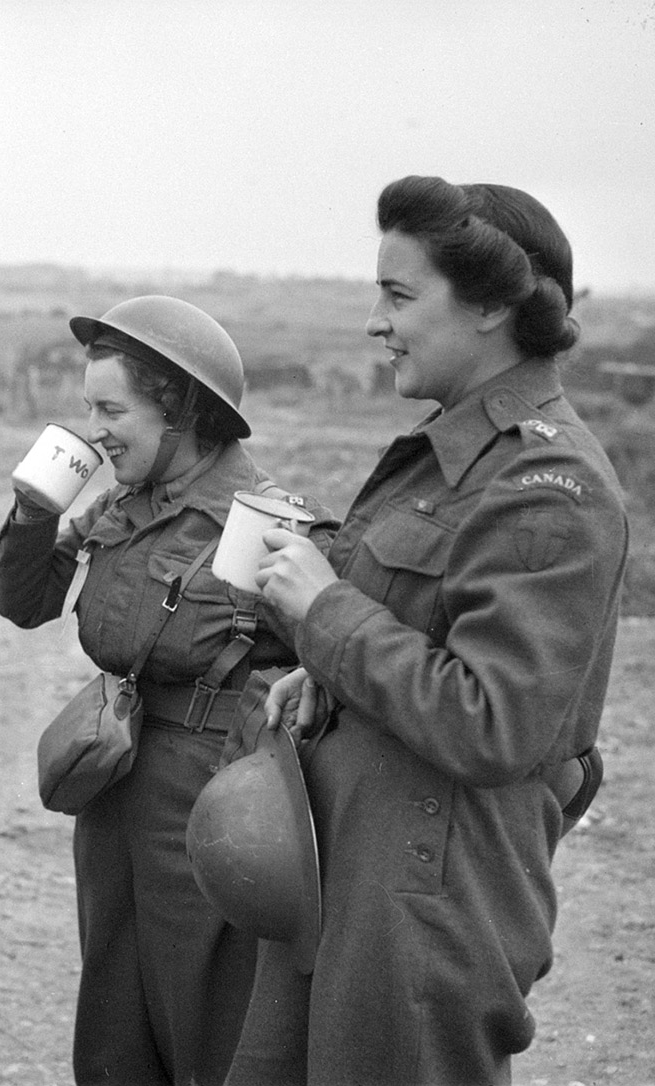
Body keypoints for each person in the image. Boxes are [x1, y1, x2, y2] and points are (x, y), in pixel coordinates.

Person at [224, 177, 630, 1086]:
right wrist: (324, 672)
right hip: (349, 874)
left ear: (490, 306)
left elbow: (495, 723)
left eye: (399, 296)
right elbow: (426, 631)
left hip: (425, 903)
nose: (377, 322)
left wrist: (325, 614)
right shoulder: (447, 454)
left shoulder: (548, 487)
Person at [0, 296, 339, 1086]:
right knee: (114, 1015)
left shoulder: (268, 524)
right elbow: (25, 603)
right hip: (115, 779)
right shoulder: (122, 501)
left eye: (111, 410)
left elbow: (334, 652)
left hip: (210, 796)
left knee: (205, 1018)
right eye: (90, 409)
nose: (96, 430)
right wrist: (33, 513)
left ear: (179, 409)